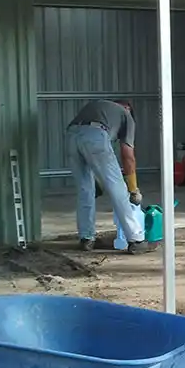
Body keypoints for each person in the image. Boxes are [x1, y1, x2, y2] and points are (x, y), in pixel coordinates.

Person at [66, 98, 153, 254]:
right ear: (127, 109)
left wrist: (98, 182)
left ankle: (86, 238)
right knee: (118, 190)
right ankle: (136, 239)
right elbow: (128, 156)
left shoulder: (100, 107)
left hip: (72, 136)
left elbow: (88, 149)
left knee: (85, 190)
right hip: (96, 135)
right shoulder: (126, 116)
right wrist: (133, 189)